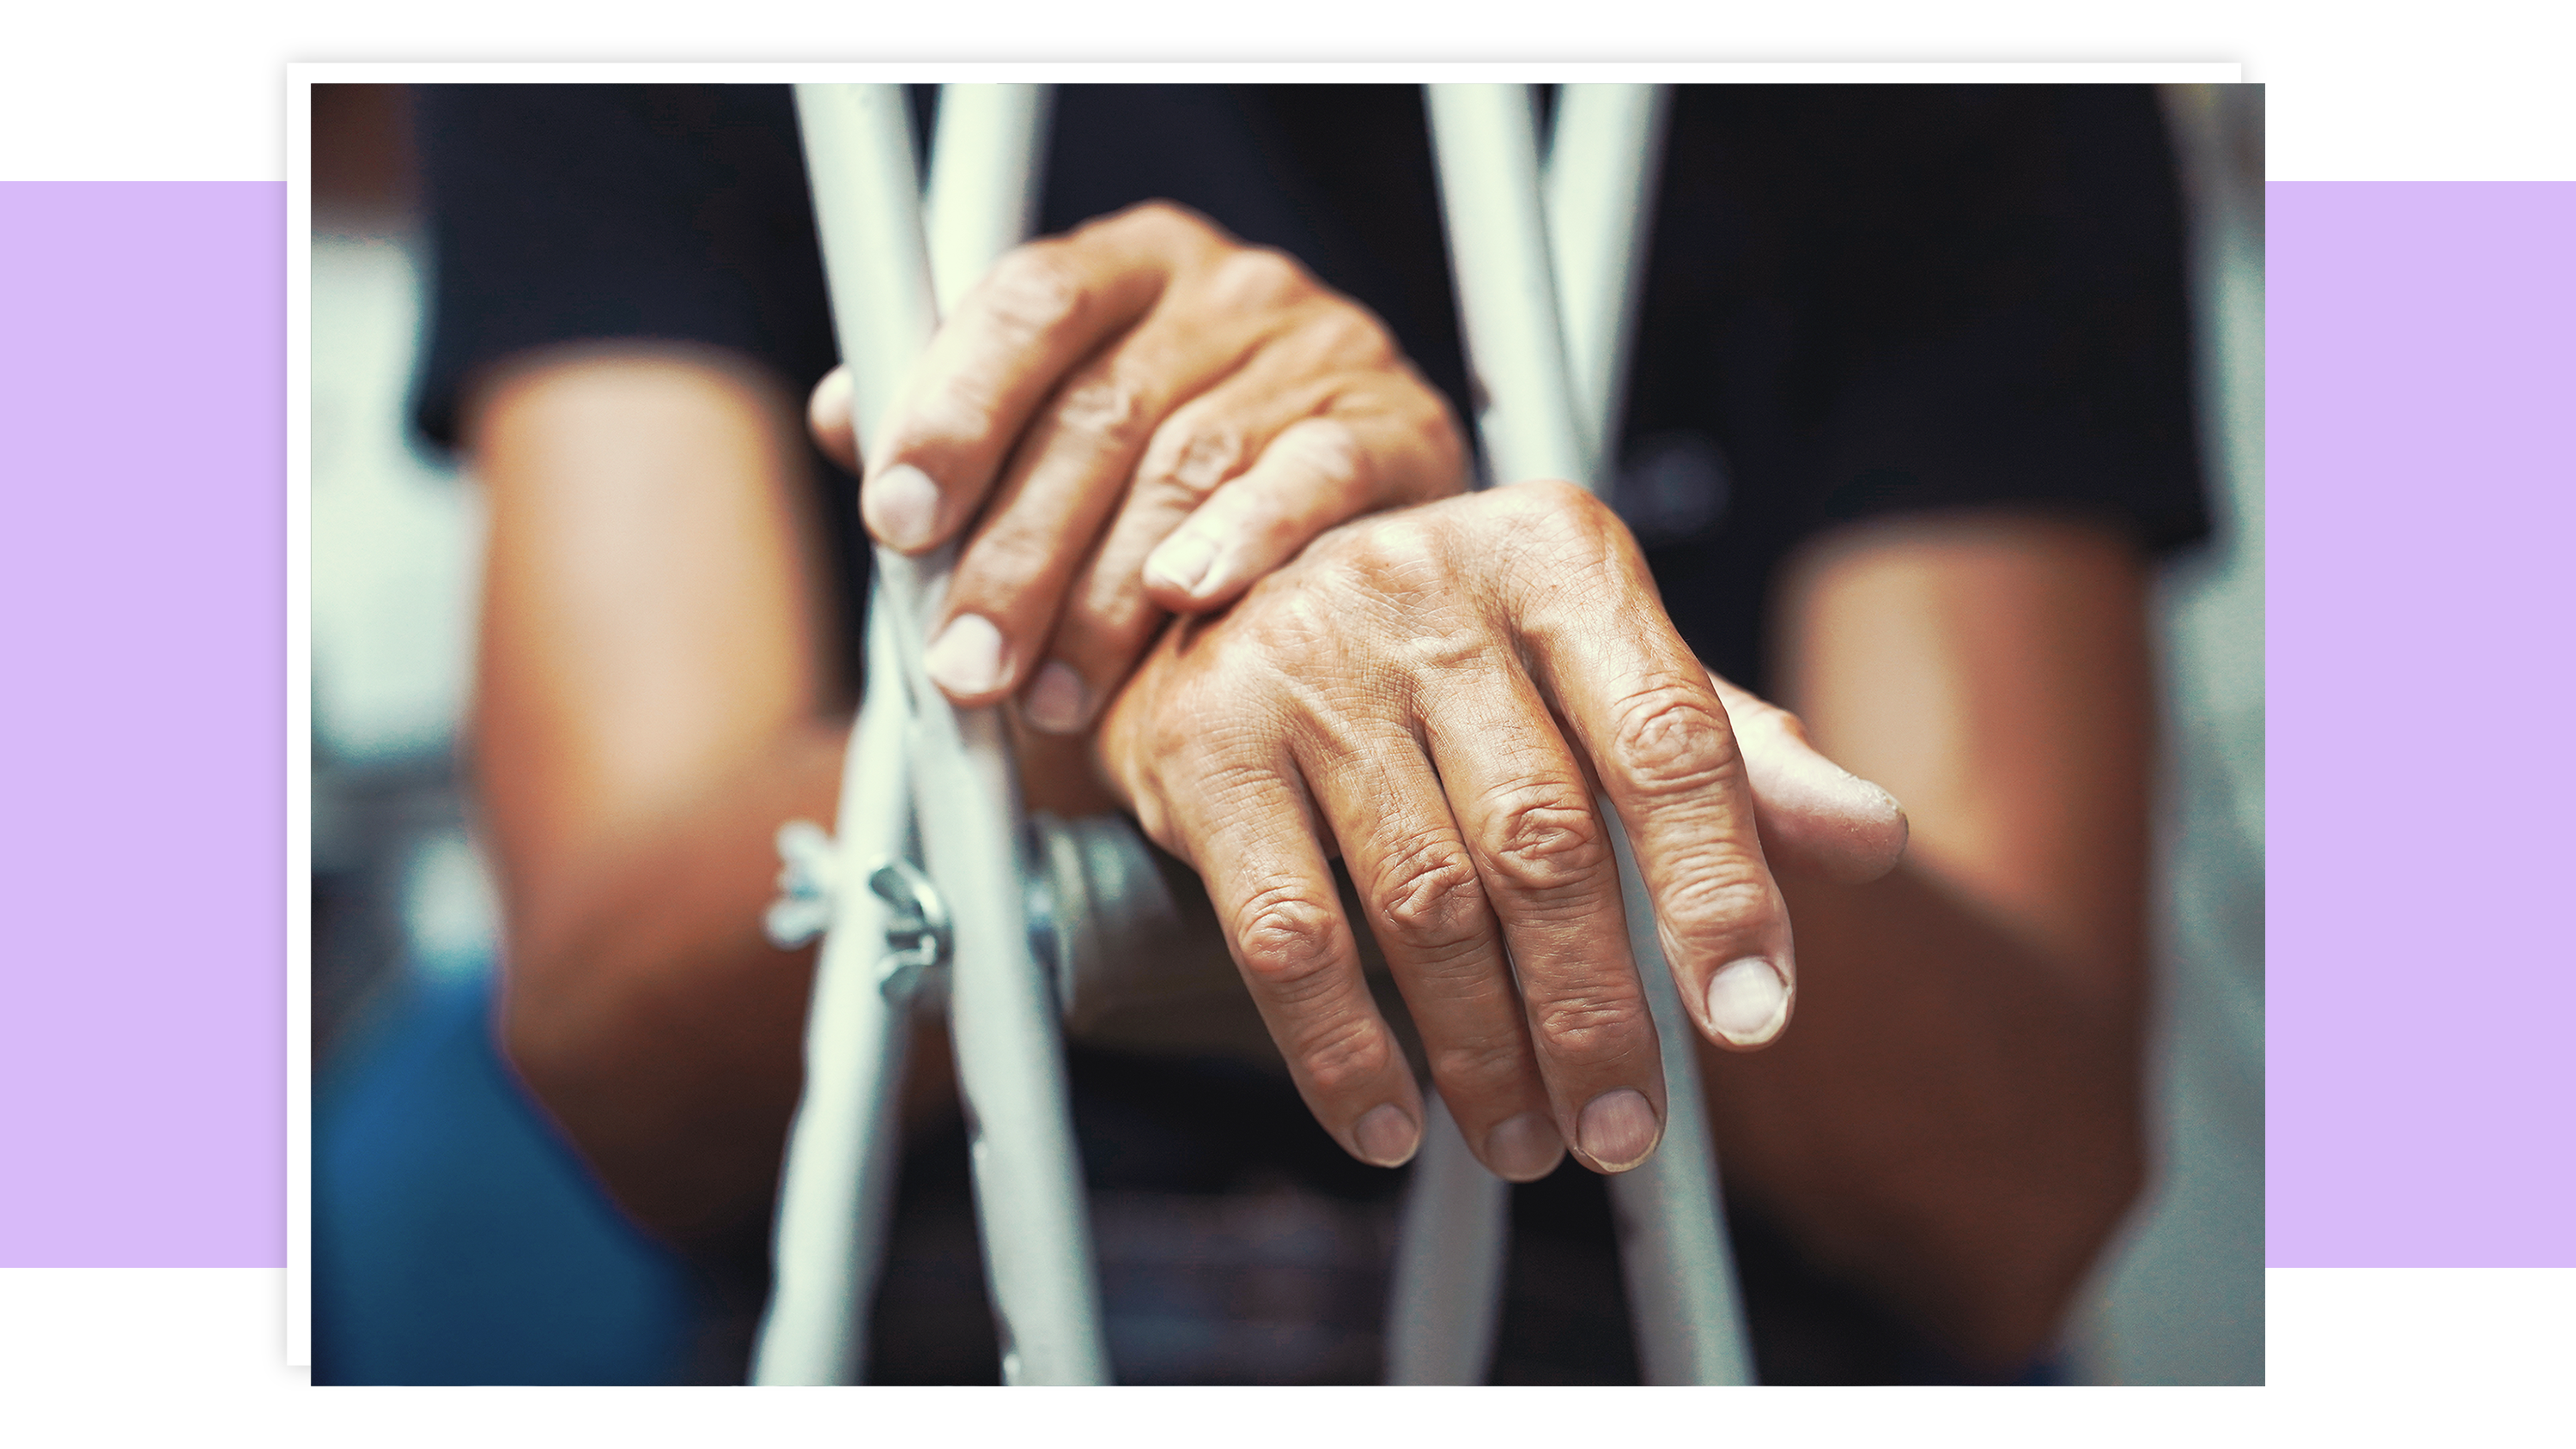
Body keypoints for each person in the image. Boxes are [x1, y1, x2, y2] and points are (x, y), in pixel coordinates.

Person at [410, 82, 2205, 1383]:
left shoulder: (1952, 87)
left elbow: (2024, 1193)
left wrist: (1465, 648)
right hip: (957, 1306)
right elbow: (614, 1055)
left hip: (1712, 1330)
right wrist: (1138, 633)